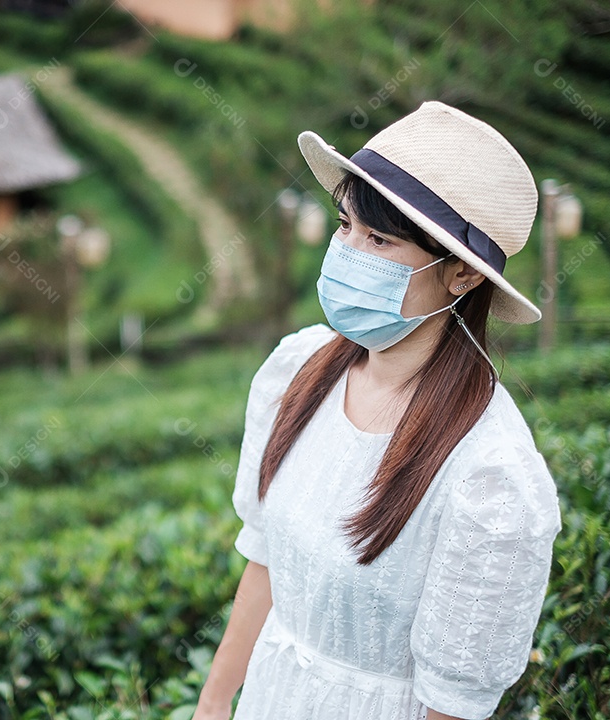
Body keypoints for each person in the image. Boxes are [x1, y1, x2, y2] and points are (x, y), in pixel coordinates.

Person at [192, 101, 562, 720]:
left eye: (380, 239)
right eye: (345, 227)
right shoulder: (299, 370)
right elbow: (265, 567)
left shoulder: (491, 479)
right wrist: (212, 703)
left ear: (462, 277)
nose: (348, 253)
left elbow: (451, 704)